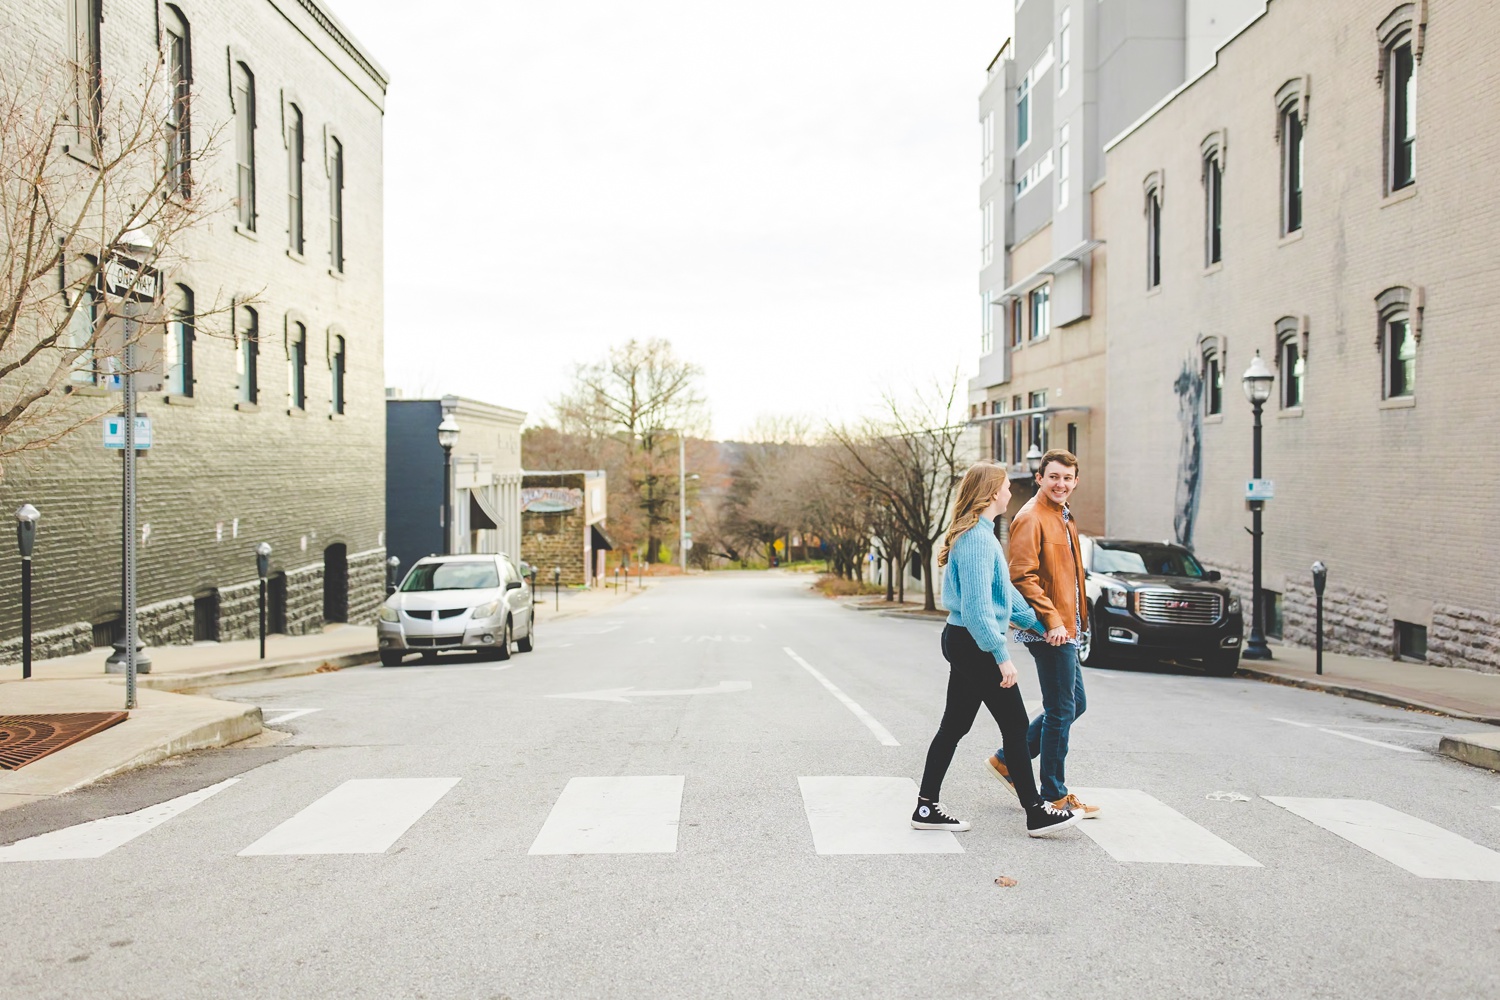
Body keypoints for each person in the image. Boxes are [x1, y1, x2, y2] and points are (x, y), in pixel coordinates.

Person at [912, 460, 1080, 838]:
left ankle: (926, 806)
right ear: (991, 493)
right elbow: (976, 608)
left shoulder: (984, 534)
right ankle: (1036, 812)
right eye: (1004, 486)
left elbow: (1007, 598)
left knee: (954, 725)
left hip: (967, 640)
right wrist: (1001, 656)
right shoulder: (974, 539)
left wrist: (1044, 626)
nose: (1008, 492)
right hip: (973, 643)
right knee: (1017, 727)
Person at [985, 448, 1100, 819]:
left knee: (1073, 704)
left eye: (1067, 478)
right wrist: (1051, 620)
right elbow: (1022, 577)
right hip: (1050, 630)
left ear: (1076, 482)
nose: (1060, 484)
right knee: (1061, 708)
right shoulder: (1031, 517)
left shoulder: (1063, 515)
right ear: (1039, 478)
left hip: (1067, 627)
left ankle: (1006, 761)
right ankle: (1054, 793)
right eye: (1053, 477)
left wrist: (1074, 622)